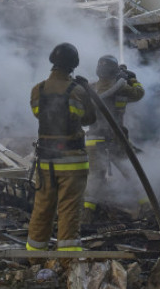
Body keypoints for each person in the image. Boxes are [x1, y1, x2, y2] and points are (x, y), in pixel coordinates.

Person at [26, 42, 96, 253]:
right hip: (72, 162)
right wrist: (87, 92)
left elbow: (39, 115)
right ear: (74, 64)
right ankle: (67, 259)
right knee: (69, 209)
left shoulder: (38, 90)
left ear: (52, 61)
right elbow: (89, 119)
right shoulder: (77, 91)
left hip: (45, 162)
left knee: (42, 208)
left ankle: (35, 256)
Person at [84, 55, 144, 214]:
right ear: (114, 71)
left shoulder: (91, 88)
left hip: (93, 141)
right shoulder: (121, 87)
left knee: (95, 178)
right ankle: (148, 206)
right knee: (132, 173)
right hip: (116, 139)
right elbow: (139, 93)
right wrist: (132, 79)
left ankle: (86, 214)